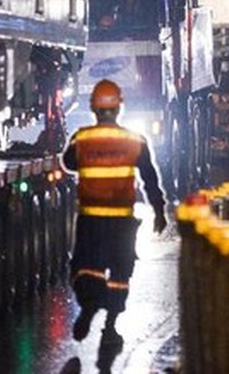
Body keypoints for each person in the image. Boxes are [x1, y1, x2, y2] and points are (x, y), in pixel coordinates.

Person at [63, 79, 168, 347]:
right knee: (121, 273)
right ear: (119, 108)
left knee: (87, 268)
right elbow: (150, 178)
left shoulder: (82, 138)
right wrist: (159, 210)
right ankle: (111, 323)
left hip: (91, 220)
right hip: (122, 220)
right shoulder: (134, 140)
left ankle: (88, 308)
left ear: (94, 109)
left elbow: (68, 163)